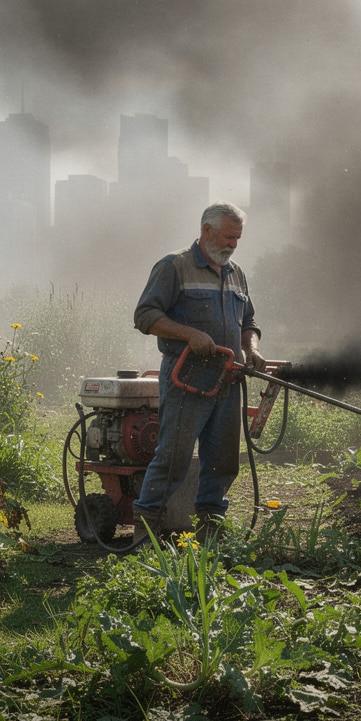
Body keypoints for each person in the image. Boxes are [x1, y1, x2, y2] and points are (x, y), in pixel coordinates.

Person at [132, 201, 266, 541]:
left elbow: (248, 321)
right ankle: (146, 535)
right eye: (227, 237)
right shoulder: (173, 266)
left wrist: (251, 349)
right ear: (206, 231)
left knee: (223, 462)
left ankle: (211, 534)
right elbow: (145, 315)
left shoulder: (236, 273)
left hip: (227, 379)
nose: (233, 245)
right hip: (186, 379)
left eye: (237, 239)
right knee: (173, 458)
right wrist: (190, 334)